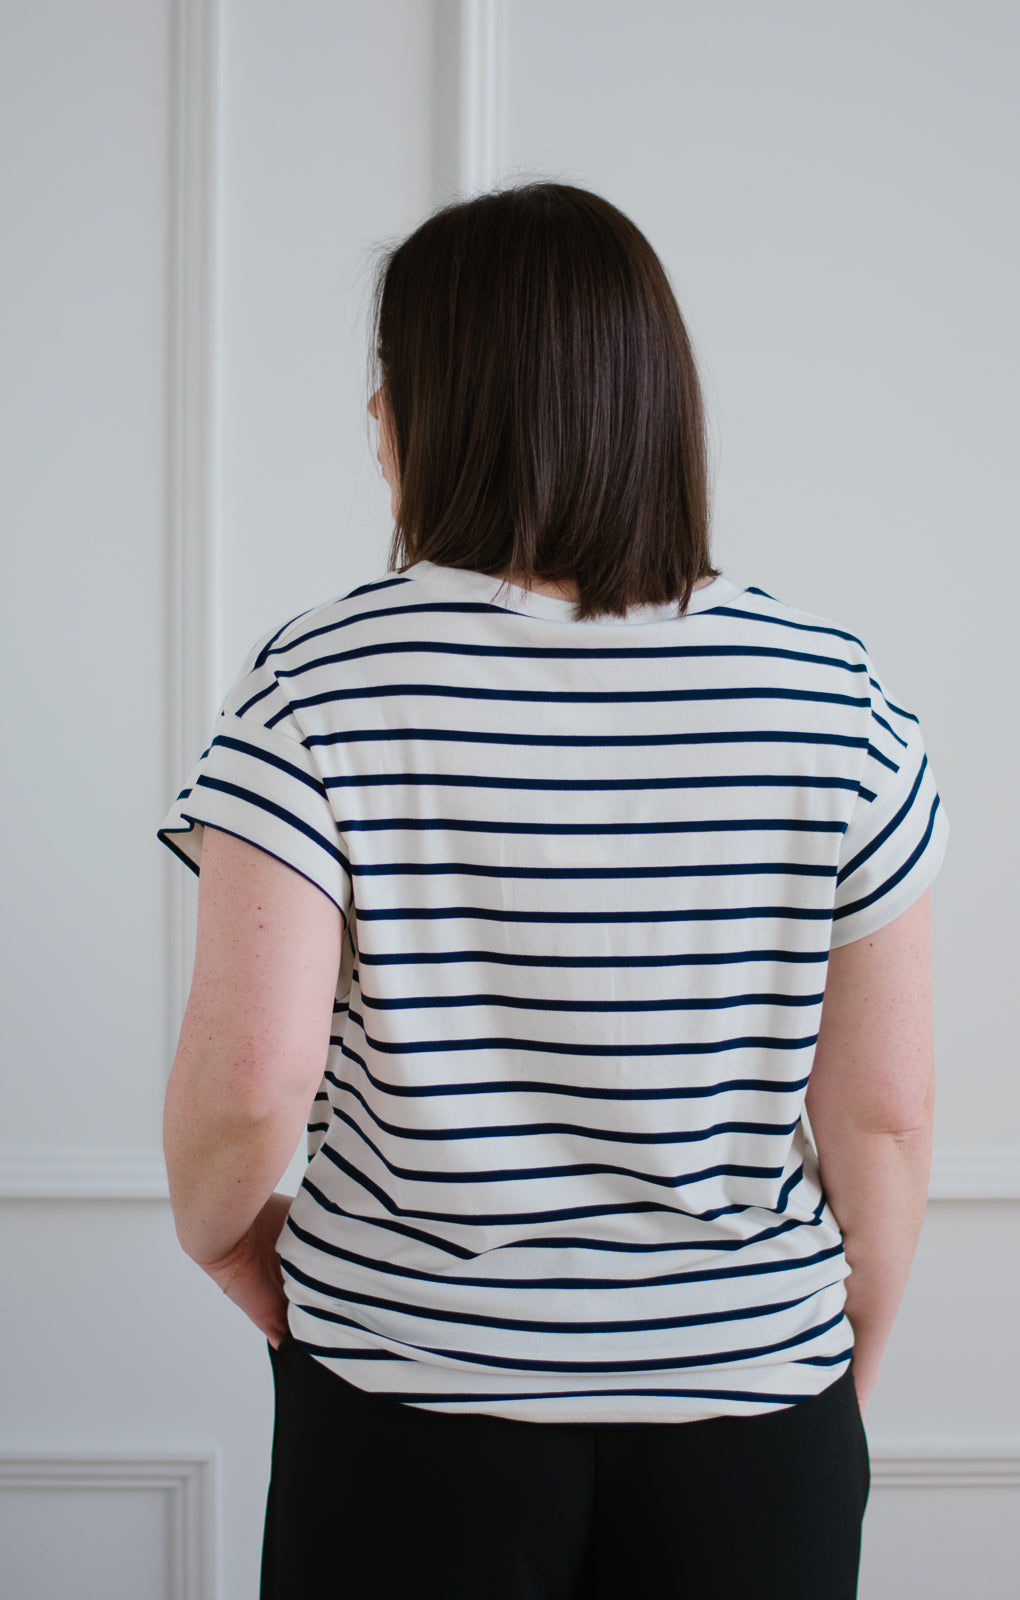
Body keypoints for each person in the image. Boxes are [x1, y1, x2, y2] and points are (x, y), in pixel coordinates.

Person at [160, 182, 948, 1599]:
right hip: (751, 1408)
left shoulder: (321, 684)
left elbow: (245, 1091)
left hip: (413, 1415)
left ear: (423, 417)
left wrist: (220, 1240)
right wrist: (843, 1367)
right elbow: (882, 1118)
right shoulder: (835, 693)